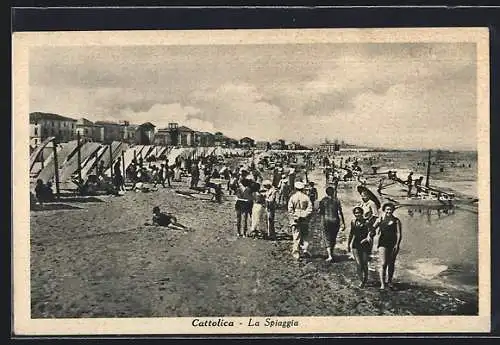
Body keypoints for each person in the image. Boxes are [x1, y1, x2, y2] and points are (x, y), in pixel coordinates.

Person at [372, 203, 402, 290]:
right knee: (383, 263)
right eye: (387, 209)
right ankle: (382, 284)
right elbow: (372, 228)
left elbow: (399, 233)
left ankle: (389, 281)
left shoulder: (396, 220)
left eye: (390, 209)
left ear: (393, 210)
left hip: (393, 243)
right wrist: (371, 234)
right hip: (382, 243)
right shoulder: (380, 219)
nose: (389, 211)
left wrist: (397, 244)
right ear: (384, 210)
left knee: (391, 263)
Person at [318, 186, 346, 263]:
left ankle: (330, 255)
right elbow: (340, 212)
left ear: (326, 192)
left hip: (326, 220)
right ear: (333, 192)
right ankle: (332, 253)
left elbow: (320, 212)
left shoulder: (323, 200)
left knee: (327, 237)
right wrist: (343, 222)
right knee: (333, 237)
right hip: (335, 220)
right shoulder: (336, 200)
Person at [348, 206, 373, 287]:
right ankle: (361, 281)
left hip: (365, 245)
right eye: (355, 213)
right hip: (355, 245)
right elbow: (351, 233)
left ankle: (365, 278)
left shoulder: (367, 222)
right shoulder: (353, 222)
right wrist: (348, 244)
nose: (357, 214)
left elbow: (373, 232)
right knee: (358, 264)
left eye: (358, 213)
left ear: (362, 213)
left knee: (364, 264)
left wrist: (367, 238)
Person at [288, 181, 313, 260]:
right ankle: (305, 249)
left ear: (295, 188)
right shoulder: (306, 197)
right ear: (302, 189)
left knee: (296, 236)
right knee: (305, 235)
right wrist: (304, 215)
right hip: (304, 219)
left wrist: (295, 216)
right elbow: (310, 209)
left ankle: (296, 253)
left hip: (296, 219)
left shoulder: (293, 197)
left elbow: (290, 209)